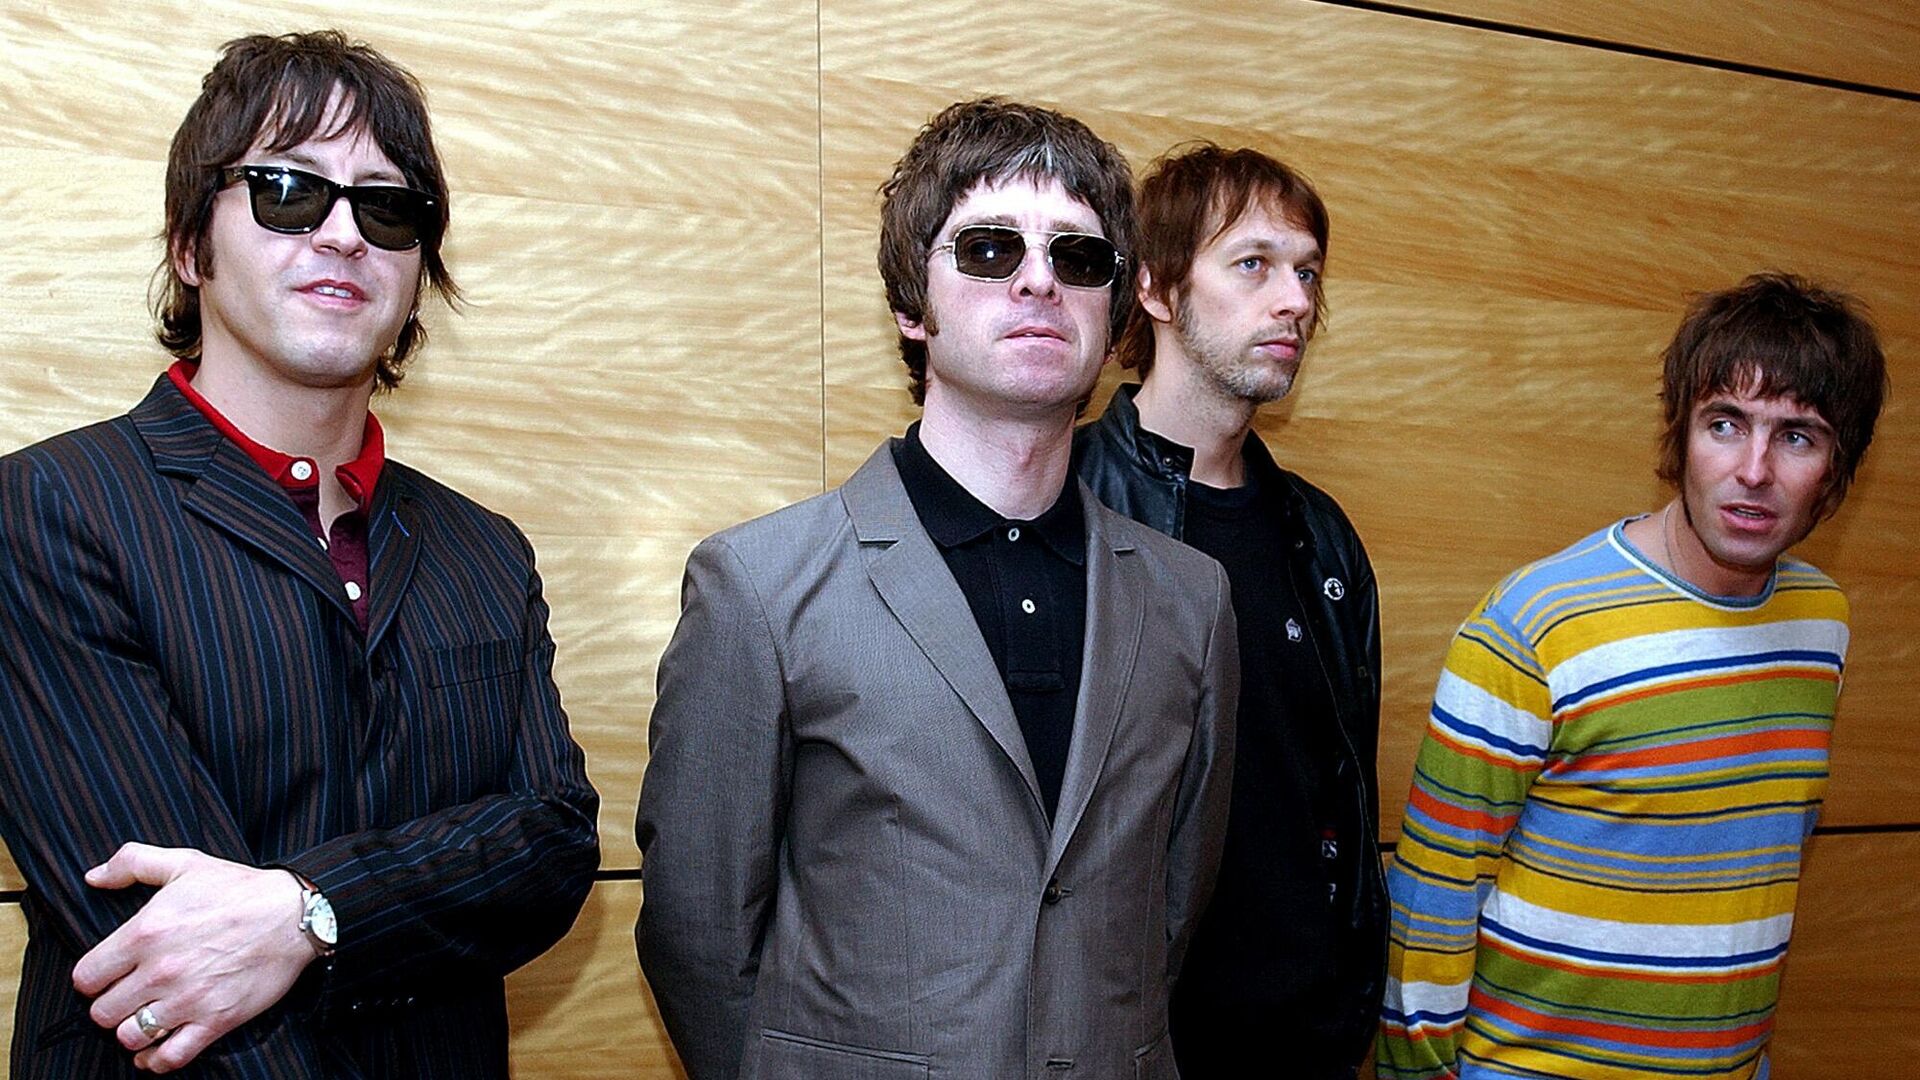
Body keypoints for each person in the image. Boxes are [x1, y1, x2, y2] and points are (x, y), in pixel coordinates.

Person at [0, 30, 599, 1077]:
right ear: (191, 248)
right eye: (288, 191)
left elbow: (551, 846)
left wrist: (309, 910)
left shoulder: (485, 550)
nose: (343, 235)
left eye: (388, 208)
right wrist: (409, 888)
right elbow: (162, 943)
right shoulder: (49, 510)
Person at [635, 98, 1237, 1080]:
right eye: (990, 250)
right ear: (913, 307)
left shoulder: (1192, 600)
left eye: (1080, 257)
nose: (1039, 280)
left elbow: (1170, 909)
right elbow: (698, 936)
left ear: (1115, 313)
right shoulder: (760, 585)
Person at [1376, 272, 1888, 1079]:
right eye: (1726, 424)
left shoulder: (1823, 624)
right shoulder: (1535, 623)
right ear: (1680, 432)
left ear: (1837, 466)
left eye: (1797, 437)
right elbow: (1434, 896)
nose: (1754, 469)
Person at [1075, 142, 1385, 1078]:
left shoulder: (1321, 540)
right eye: (1253, 264)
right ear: (1156, 289)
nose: (1294, 301)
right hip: (1130, 1039)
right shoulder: (1064, 503)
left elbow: (1337, 798)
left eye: (1306, 273)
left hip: (1305, 1038)